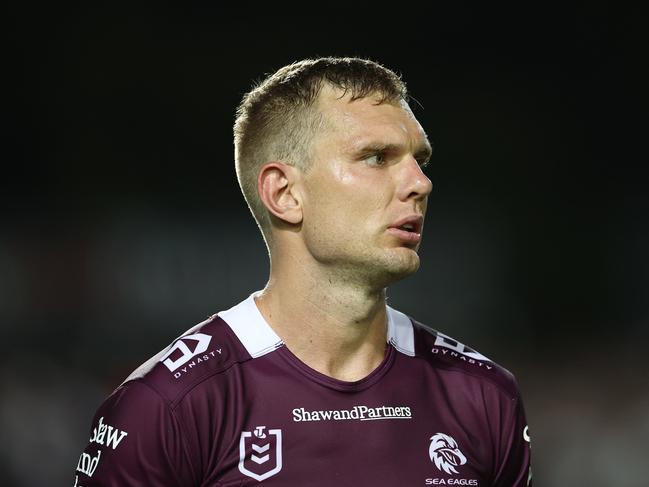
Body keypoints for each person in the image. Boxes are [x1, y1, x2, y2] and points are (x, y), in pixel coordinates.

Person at [73, 56, 532, 486]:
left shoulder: (484, 396)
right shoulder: (168, 407)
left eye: (420, 160)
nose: (420, 183)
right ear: (285, 193)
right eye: (376, 157)